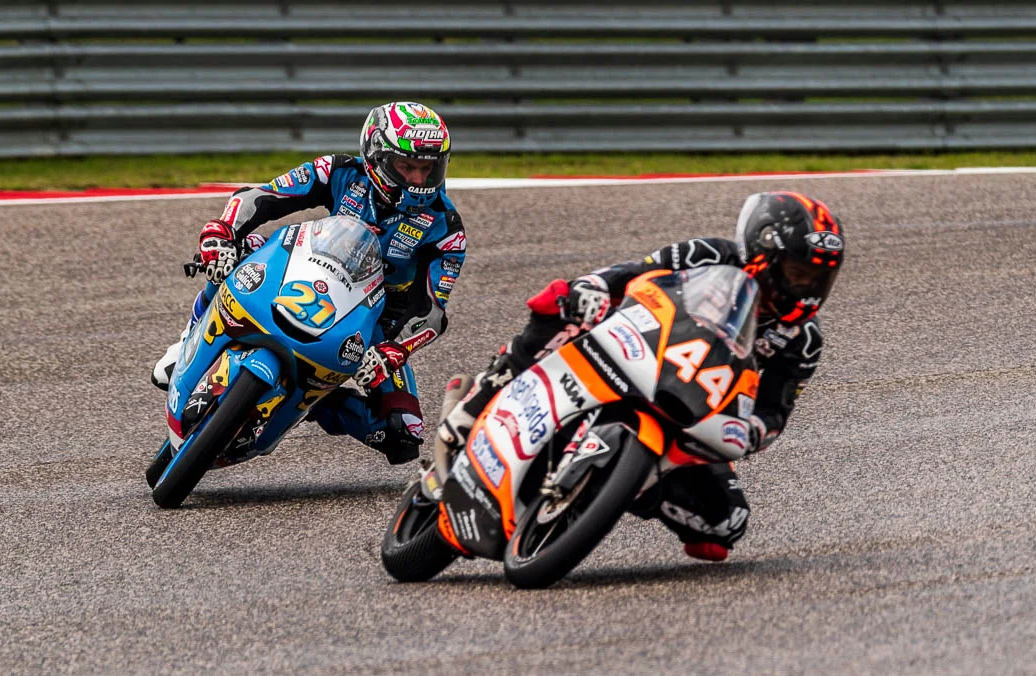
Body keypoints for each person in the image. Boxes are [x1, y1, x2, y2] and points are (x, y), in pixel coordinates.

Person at [438, 191, 844, 561]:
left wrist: (754, 431)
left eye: (818, 279)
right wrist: (592, 288)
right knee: (557, 304)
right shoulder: (710, 255)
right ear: (763, 253)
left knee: (725, 526)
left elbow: (775, 409)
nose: (808, 289)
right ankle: (477, 403)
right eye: (798, 273)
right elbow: (636, 272)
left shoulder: (803, 340)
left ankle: (626, 485)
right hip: (631, 348)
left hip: (693, 408)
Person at [152, 102, 467, 465]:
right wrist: (221, 232)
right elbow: (262, 197)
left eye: (427, 168)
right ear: (377, 156)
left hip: (375, 321)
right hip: (310, 272)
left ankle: (312, 400)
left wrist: (395, 349)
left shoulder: (447, 229)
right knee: (239, 249)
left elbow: (431, 311)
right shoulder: (338, 171)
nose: (418, 179)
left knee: (403, 434)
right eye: (406, 166)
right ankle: (189, 338)